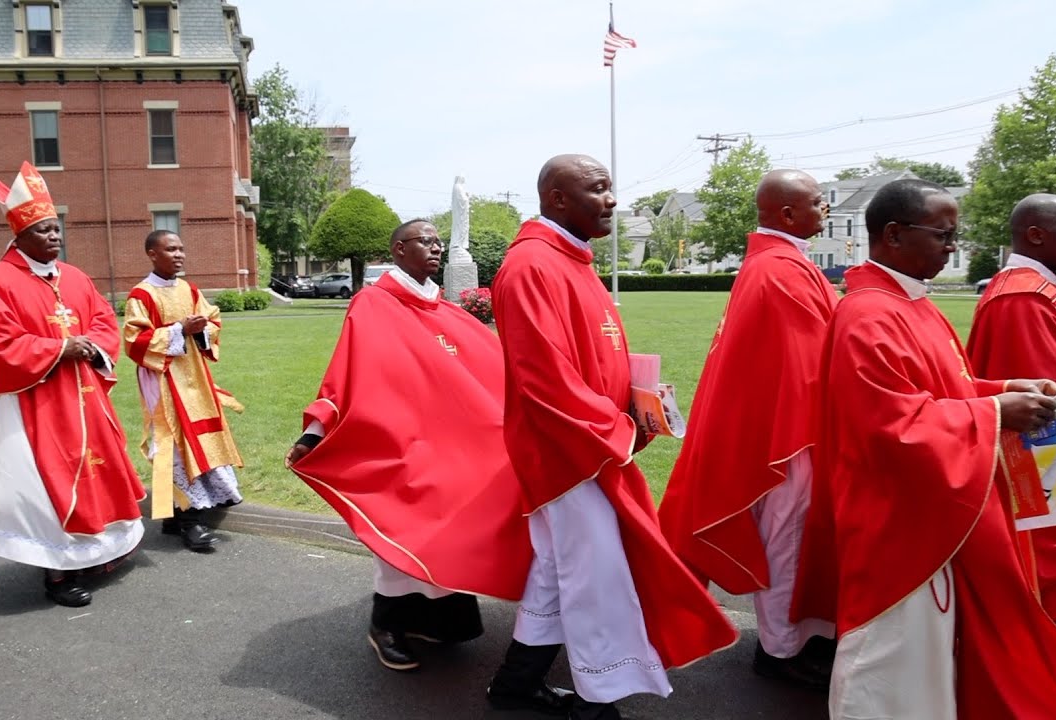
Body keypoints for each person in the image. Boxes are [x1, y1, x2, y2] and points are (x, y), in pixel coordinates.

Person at [792, 179, 1056, 719]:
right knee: (889, 663)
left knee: (930, 659)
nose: (953, 248)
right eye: (944, 236)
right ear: (894, 234)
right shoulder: (870, 313)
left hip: (930, 515)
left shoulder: (910, 303)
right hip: (896, 525)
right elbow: (888, 424)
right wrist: (996, 414)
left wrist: (1001, 389)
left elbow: (939, 391)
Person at [487, 155, 737, 720]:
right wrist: (617, 427)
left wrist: (638, 401)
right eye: (598, 189)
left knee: (560, 569)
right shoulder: (530, 266)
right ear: (556, 197)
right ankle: (598, 695)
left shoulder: (569, 260)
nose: (613, 200)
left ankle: (515, 684)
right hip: (565, 453)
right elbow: (544, 378)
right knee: (593, 571)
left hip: (589, 443)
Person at [286, 219, 532, 674]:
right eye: (426, 241)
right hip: (399, 441)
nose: (437, 248)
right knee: (407, 519)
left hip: (455, 445)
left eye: (440, 241)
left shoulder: (451, 313)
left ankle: (438, 620)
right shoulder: (374, 305)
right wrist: (314, 434)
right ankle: (388, 624)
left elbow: (497, 369)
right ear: (399, 249)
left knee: (464, 517)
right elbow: (346, 373)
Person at [658, 169, 836, 689]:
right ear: (786, 213)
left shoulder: (776, 264)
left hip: (778, 429)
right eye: (818, 202)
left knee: (792, 540)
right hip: (788, 436)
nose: (824, 210)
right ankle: (780, 651)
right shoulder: (781, 270)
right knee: (789, 540)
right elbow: (815, 361)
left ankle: (794, 639)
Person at [0, 161, 146, 608]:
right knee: (45, 483)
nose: (54, 236)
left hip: (85, 397)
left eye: (56, 228)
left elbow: (105, 321)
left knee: (99, 471)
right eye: (44, 230)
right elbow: (0, 342)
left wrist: (89, 347)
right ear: (20, 235)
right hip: (36, 402)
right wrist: (57, 350)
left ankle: (97, 554)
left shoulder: (75, 276)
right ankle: (58, 571)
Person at [966, 192, 1056, 641]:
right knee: (1051, 569)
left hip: (1047, 461)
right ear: (1036, 236)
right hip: (1045, 467)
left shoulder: (1033, 290)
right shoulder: (1022, 299)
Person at [124, 230, 244, 552]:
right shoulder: (142, 294)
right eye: (171, 249)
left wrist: (203, 329)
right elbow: (134, 342)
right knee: (175, 444)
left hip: (194, 376)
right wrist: (179, 330)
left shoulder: (189, 289)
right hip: (162, 380)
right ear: (152, 253)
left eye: (181, 249)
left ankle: (173, 517)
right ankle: (191, 520)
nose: (179, 255)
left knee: (200, 436)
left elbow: (212, 320)